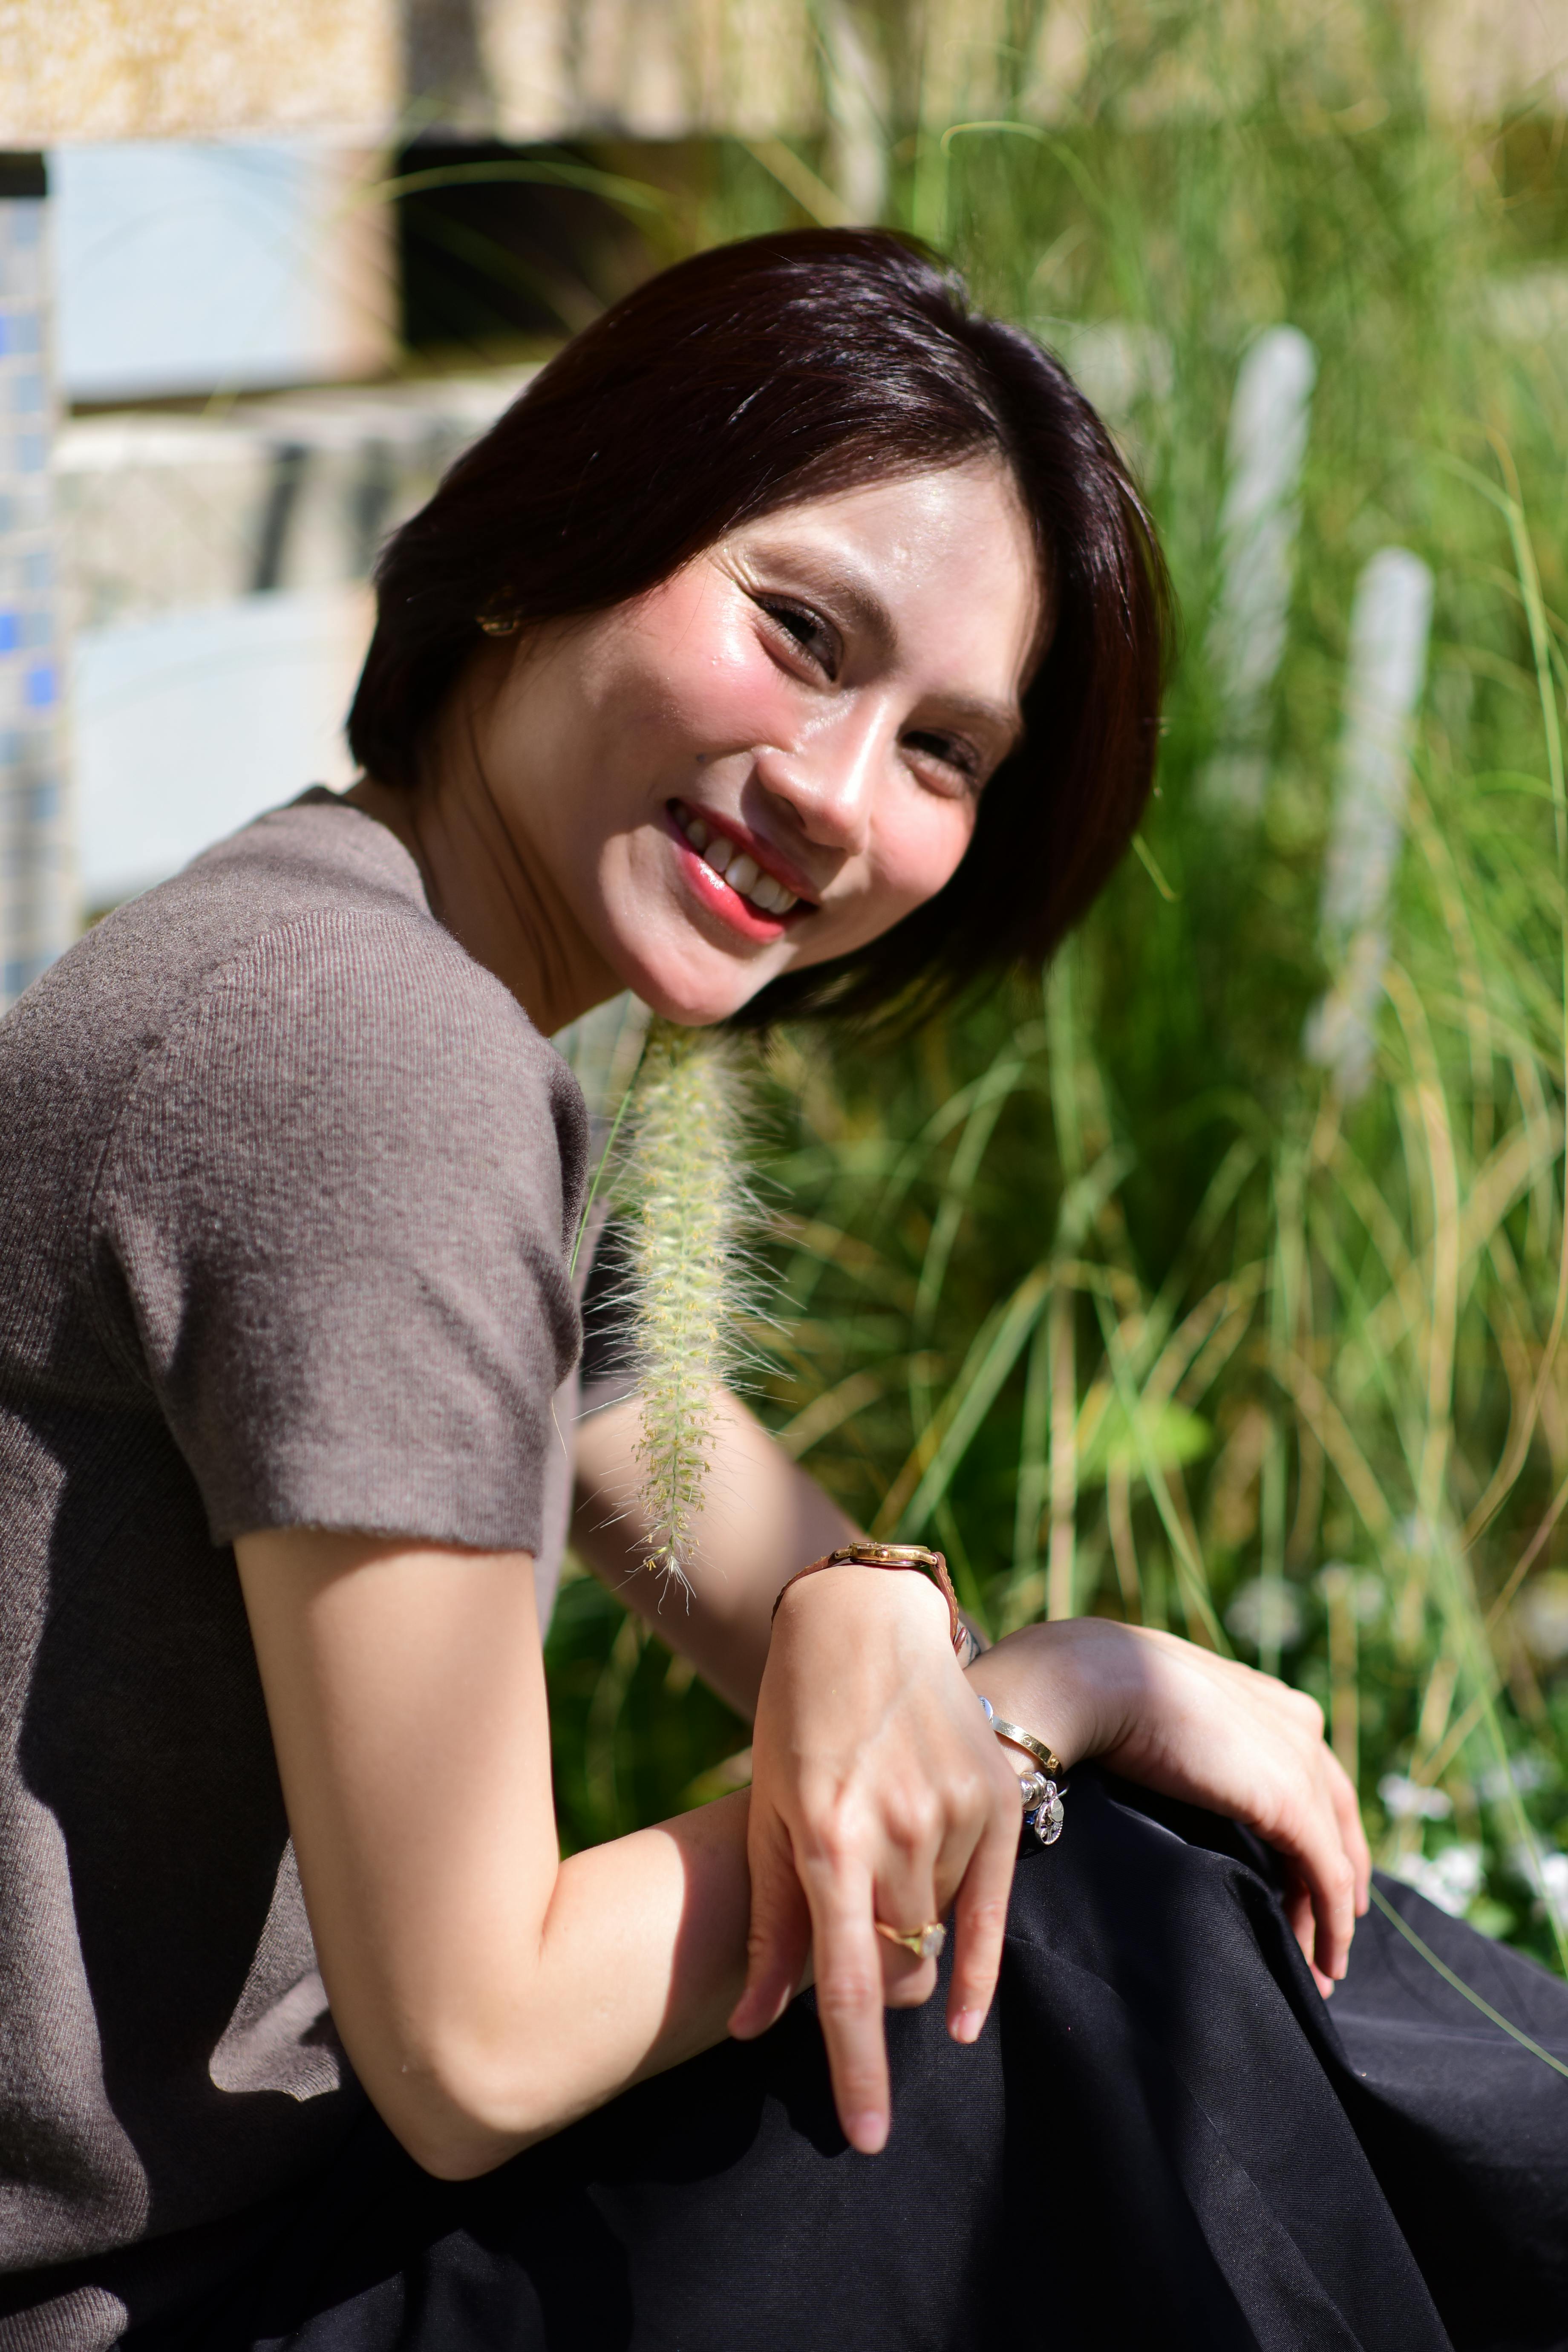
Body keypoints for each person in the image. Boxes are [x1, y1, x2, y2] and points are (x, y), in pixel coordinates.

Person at [0, 230, 1562, 2352]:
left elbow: (766, 1567)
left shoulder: (353, 949)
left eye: (942, 751)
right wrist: (1065, 1694)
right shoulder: (365, 1058)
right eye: (796, 630)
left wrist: (891, 1621)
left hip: (254, 2249)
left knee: (1086, 1912)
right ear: (550, 542)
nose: (836, 795)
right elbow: (476, 2047)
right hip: (161, 2311)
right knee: (1091, 1937)